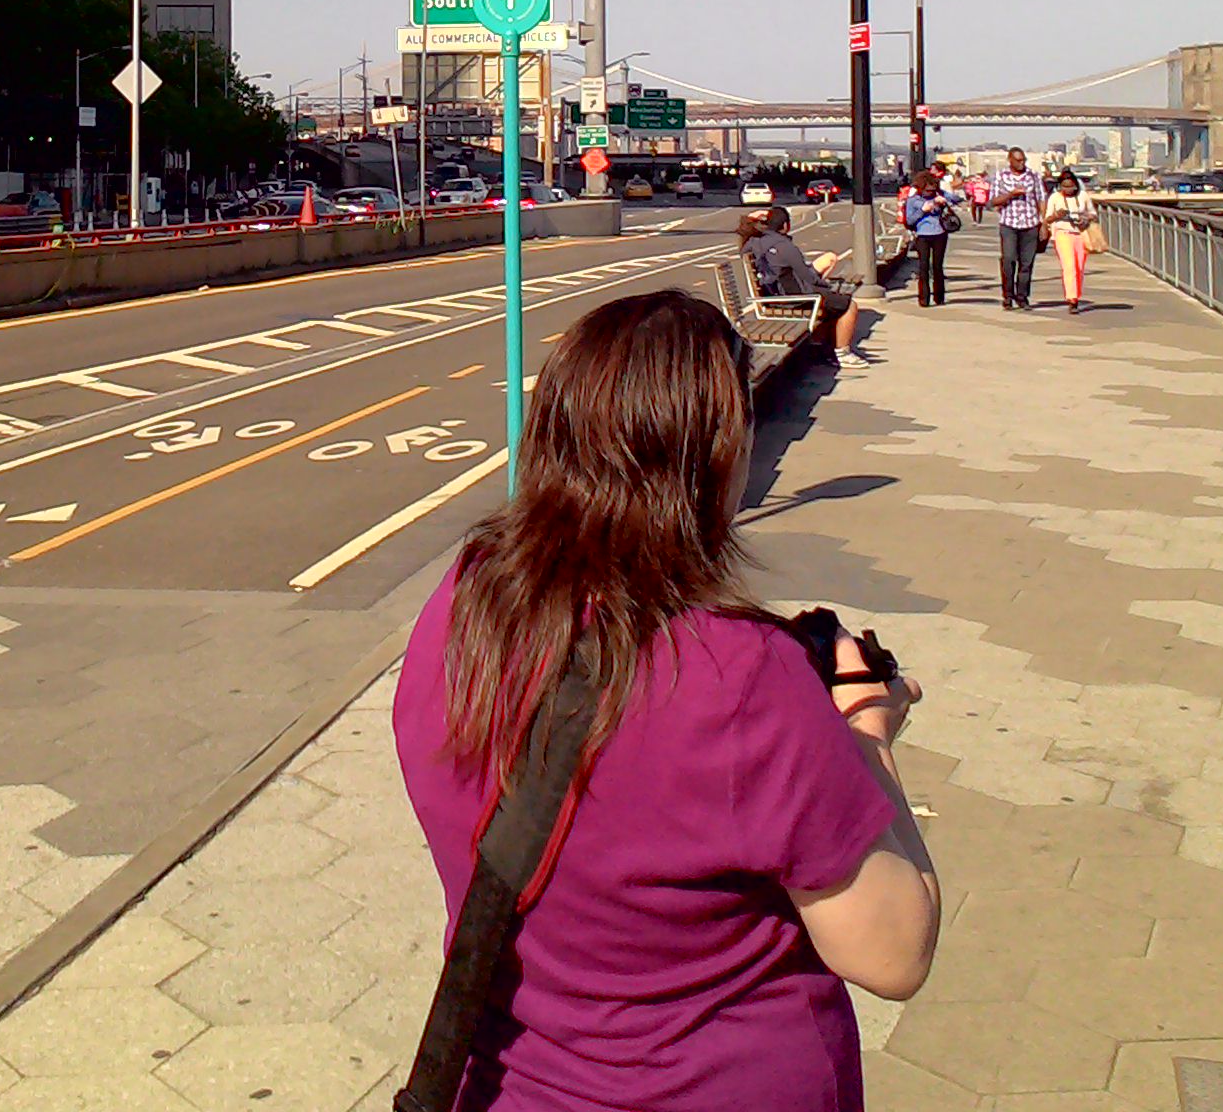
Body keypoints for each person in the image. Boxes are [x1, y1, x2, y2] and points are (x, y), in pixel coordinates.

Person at [395, 292, 940, 1111]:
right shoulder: (740, 677)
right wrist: (867, 731)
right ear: (720, 457)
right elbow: (894, 953)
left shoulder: (463, 604)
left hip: (508, 1083)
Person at [738, 209, 860, 354]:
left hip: (772, 294)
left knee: (831, 301)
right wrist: (828, 286)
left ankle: (822, 348)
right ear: (785, 226)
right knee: (848, 305)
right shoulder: (785, 246)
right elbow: (808, 277)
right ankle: (843, 353)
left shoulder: (753, 242)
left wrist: (750, 219)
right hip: (791, 298)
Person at [988, 147, 1044, 310]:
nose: (1021, 163)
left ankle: (1022, 296)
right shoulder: (1001, 176)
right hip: (1009, 224)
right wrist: (1011, 195)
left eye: (1023, 160)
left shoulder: (1033, 176)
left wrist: (1044, 223)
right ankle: (1008, 295)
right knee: (1009, 259)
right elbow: (992, 201)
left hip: (1030, 223)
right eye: (1018, 160)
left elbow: (1041, 198)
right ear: (1010, 160)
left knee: (1027, 263)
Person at [1042, 169, 1100, 313]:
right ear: (1060, 186)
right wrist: (1057, 215)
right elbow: (1047, 218)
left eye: (1071, 186)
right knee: (1069, 266)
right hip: (1063, 233)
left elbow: (1093, 214)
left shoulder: (1083, 196)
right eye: (1065, 187)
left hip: (1081, 233)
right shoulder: (1055, 198)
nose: (1068, 190)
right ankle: (1072, 299)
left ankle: (1076, 295)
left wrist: (1085, 218)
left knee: (1079, 267)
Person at [900, 163, 955, 307]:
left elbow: (956, 199)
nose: (930, 193)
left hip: (940, 233)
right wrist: (923, 210)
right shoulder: (913, 201)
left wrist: (944, 200)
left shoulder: (938, 195)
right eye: (927, 190)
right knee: (923, 266)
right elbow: (909, 220)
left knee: (938, 266)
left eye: (932, 190)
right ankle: (924, 298)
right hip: (922, 235)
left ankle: (939, 297)